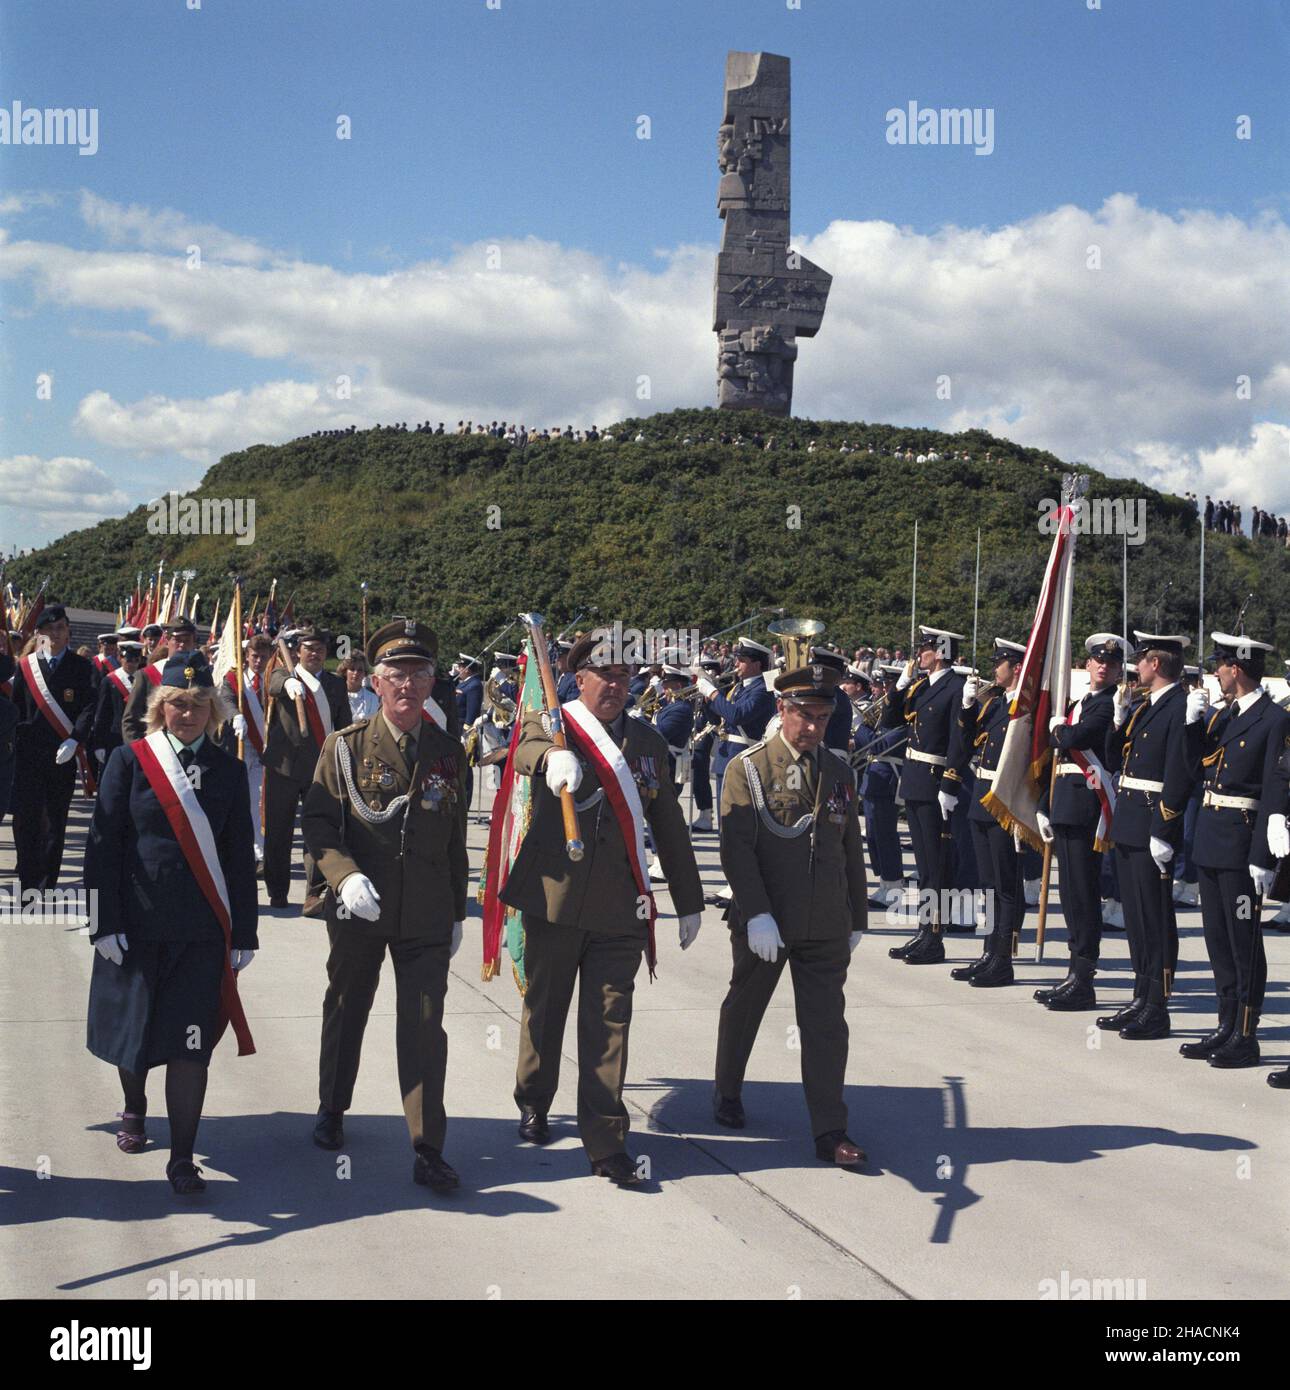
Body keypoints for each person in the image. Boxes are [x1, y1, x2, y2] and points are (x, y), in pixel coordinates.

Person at [500, 631, 703, 1185]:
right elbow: (522, 749)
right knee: (546, 1009)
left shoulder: (648, 744)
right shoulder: (556, 726)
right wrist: (551, 758)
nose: (615, 685)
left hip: (620, 907)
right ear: (579, 679)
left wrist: (688, 900)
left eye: (623, 677)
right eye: (604, 675)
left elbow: (669, 827)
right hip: (555, 901)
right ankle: (534, 1098)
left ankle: (607, 1141)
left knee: (610, 1020)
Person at [302, 620, 469, 1193]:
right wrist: (344, 878)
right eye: (396, 673)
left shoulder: (448, 752)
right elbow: (320, 822)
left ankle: (427, 1148)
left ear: (431, 682)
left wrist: (456, 913)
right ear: (375, 681)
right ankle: (332, 1106)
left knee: (425, 1026)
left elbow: (452, 840)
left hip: (424, 913)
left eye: (419, 673)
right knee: (347, 1007)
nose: (408, 684)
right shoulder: (344, 747)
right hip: (360, 909)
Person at [84, 652, 257, 1195]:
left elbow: (235, 859)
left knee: (190, 1044)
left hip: (201, 933)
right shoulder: (129, 761)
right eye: (177, 704)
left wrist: (245, 932)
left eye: (199, 704)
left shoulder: (228, 771)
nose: (188, 714)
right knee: (134, 1038)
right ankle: (135, 1109)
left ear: (215, 709)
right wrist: (101, 922)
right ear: (159, 709)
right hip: (135, 927)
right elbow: (103, 848)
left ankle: (182, 1158)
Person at [712, 661, 867, 1164]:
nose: (814, 727)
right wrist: (755, 913)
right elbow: (736, 849)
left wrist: (857, 916)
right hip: (767, 920)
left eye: (823, 717)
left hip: (824, 922)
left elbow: (850, 849)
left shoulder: (839, 770)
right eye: (804, 715)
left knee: (826, 1026)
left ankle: (830, 1131)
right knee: (746, 1007)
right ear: (782, 710)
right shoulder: (749, 768)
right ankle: (727, 1091)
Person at [1183, 632, 1285, 1069]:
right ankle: (1225, 1023)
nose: (1216, 674)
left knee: (1244, 940)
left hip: (1242, 846)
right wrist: (1192, 726)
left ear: (1237, 669)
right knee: (1218, 939)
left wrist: (1262, 854)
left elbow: (1276, 790)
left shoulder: (1272, 718)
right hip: (1212, 839)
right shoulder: (1222, 716)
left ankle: (1246, 1031)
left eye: (1220, 666)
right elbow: (1195, 770)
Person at [1101, 633, 1197, 1040]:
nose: (1135, 667)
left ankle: (1157, 1006)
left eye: (1139, 660)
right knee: (1137, 918)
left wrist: (1164, 827)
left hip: (1151, 822)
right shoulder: (1144, 707)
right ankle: (1141, 995)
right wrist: (1118, 721)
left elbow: (1181, 772)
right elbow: (1112, 759)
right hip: (1130, 820)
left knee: (1156, 919)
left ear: (1155, 664)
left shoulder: (1178, 707)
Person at [1034, 633, 1127, 1010]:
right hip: (1065, 806)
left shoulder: (1108, 704)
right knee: (1070, 894)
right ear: (1087, 664)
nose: (1103, 666)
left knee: (1084, 895)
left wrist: (1058, 728)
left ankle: (1084, 978)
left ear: (1120, 670)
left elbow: (1073, 738)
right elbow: (1060, 762)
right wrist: (1044, 805)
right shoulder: (1078, 703)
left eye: (1111, 662)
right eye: (1097, 660)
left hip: (1087, 807)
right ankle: (1074, 973)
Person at [882, 626, 967, 964]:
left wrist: (950, 784)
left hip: (935, 781)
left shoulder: (956, 688)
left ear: (941, 651)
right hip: (916, 780)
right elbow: (889, 721)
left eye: (926, 648)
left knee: (937, 863)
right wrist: (900, 686)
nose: (920, 653)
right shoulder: (921, 687)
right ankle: (923, 930)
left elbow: (958, 743)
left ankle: (935, 936)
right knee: (923, 865)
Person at [949, 640, 1027, 987]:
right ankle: (988, 953)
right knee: (988, 884)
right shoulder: (995, 704)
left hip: (1005, 800)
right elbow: (968, 743)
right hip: (982, 796)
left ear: (1016, 668)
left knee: (1006, 886)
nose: (996, 668)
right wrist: (967, 708)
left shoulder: (1026, 709)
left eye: (1002, 663)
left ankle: (1003, 959)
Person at [9, 604, 97, 891]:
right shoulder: (25, 667)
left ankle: (45, 885)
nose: (55, 634)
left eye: (60, 628)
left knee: (54, 822)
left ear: (68, 631)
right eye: (48, 630)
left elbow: (89, 707)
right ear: (39, 634)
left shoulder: (82, 667)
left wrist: (75, 738)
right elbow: (16, 711)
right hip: (28, 756)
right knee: (26, 821)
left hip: (63, 755)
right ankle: (27, 881)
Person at [262, 625, 349, 911]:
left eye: (320, 649)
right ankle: (277, 890)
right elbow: (273, 684)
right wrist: (288, 684)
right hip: (283, 768)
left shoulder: (335, 684)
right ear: (298, 651)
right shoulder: (284, 674)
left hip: (320, 769)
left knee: (319, 832)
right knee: (279, 832)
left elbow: (344, 727)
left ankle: (315, 894)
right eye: (309, 649)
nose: (315, 654)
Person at [697, 638, 776, 825]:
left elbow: (738, 715)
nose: (736, 664)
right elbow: (718, 720)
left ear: (756, 664)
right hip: (726, 756)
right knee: (725, 821)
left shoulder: (763, 690)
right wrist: (707, 703)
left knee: (739, 822)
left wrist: (713, 693)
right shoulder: (739, 688)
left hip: (743, 756)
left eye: (741, 660)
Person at [222, 634, 272, 868]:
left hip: (267, 750)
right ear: (246, 656)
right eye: (254, 656)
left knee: (259, 802)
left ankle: (260, 853)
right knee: (240, 801)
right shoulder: (234, 679)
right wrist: (236, 715)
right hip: (240, 745)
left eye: (263, 657)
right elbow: (226, 700)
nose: (258, 661)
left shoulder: (273, 680)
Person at [121, 617, 200, 743]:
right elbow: (130, 721)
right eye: (177, 640)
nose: (182, 645)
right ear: (167, 639)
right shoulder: (147, 675)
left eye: (187, 640)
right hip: (156, 750)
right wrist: (139, 753)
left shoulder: (200, 674)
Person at [90, 639, 143, 768]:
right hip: (114, 738)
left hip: (138, 737)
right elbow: (102, 714)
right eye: (128, 659)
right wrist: (99, 743)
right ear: (120, 658)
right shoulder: (109, 681)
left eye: (136, 660)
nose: (132, 664)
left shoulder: (144, 679)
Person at [339, 653, 379, 722]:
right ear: (345, 671)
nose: (356, 673)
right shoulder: (336, 696)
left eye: (360, 670)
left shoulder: (373, 698)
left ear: (365, 673)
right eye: (352, 669)